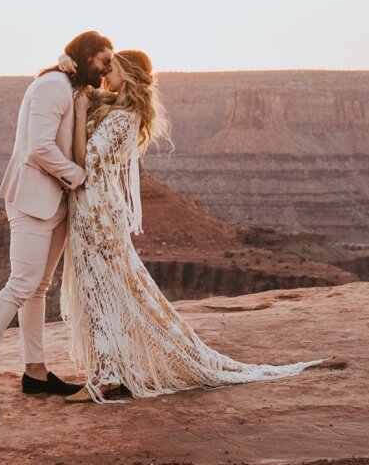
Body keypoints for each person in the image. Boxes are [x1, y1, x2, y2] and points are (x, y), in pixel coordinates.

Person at [59, 49, 328, 403]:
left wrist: (80, 113)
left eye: (113, 68)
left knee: (103, 293)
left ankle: (108, 376)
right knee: (98, 293)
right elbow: (84, 88)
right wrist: (66, 62)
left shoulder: (125, 116)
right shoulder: (113, 104)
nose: (107, 72)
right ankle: (108, 371)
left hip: (97, 215)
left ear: (128, 74)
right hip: (88, 210)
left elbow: (84, 161)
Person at [0, 30, 115, 417]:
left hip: (55, 203)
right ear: (85, 56)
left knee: (38, 288)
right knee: (21, 285)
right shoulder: (53, 86)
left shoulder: (73, 85)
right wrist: (78, 176)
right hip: (32, 200)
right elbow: (39, 146)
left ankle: (35, 372)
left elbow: (110, 94)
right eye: (103, 59)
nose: (107, 67)